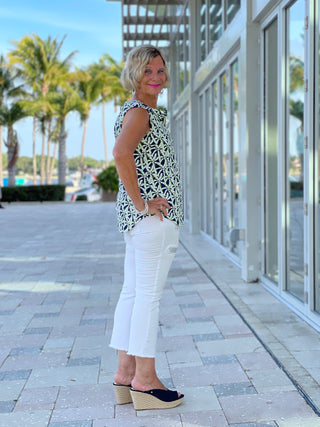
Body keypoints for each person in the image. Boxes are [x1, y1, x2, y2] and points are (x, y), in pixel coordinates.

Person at [109, 45, 184, 411]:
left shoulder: (135, 109)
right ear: (135, 74)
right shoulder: (140, 113)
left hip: (138, 223)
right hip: (152, 221)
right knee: (147, 299)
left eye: (160, 70)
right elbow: (121, 154)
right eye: (147, 71)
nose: (156, 78)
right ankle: (146, 380)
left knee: (133, 294)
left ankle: (125, 373)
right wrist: (143, 204)